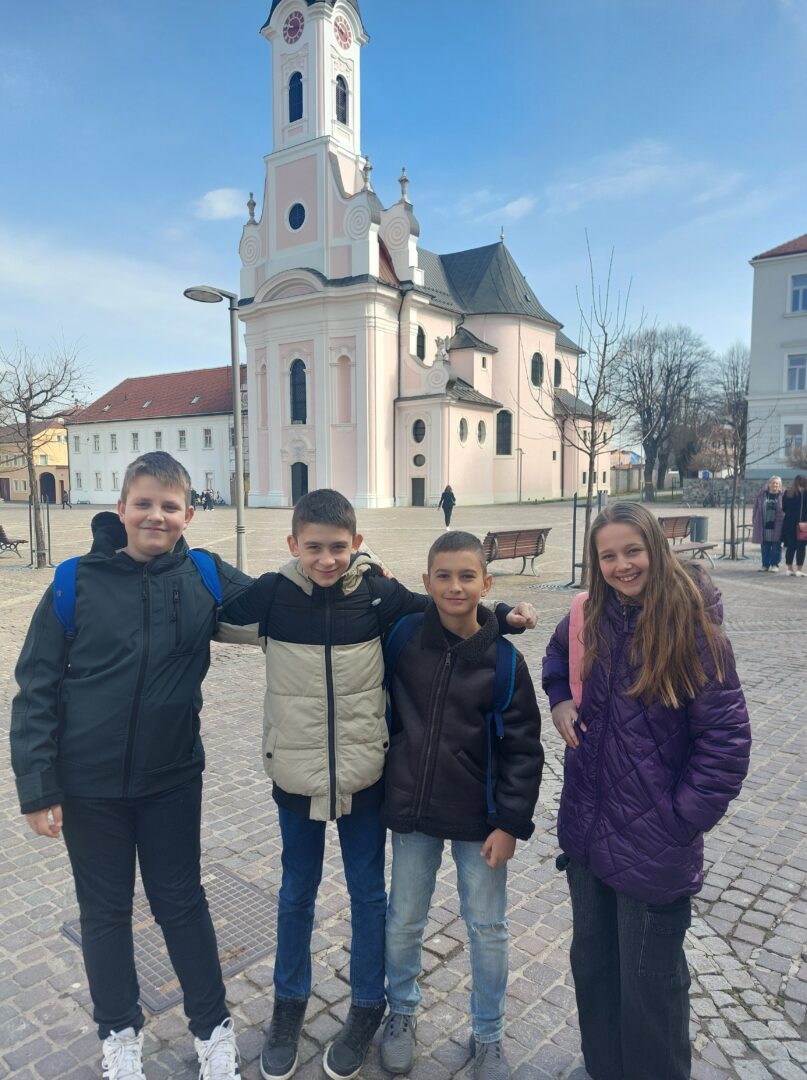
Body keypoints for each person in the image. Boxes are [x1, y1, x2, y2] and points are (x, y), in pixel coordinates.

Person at [216, 489, 537, 1080]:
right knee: (296, 893)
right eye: (313, 547)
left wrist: (503, 610)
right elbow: (209, 611)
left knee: (370, 897)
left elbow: (439, 602)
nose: (326, 558)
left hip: (365, 776)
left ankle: (368, 1005)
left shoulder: (377, 594)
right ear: (293, 544)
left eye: (338, 547)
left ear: (357, 543)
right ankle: (289, 1005)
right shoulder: (273, 594)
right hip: (296, 774)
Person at [10, 452, 253, 1080]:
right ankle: (119, 1034)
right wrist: (37, 786)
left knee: (181, 904)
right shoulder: (75, 582)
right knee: (105, 913)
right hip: (88, 784)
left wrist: (359, 574)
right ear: (120, 509)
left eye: (169, 506)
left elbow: (282, 603)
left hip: (171, 779)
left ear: (188, 514)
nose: (155, 516)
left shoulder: (205, 575)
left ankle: (213, 1030)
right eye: (143, 503)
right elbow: (36, 687)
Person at [542, 502, 751, 1080]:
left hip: (653, 846)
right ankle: (604, 1068)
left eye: (632, 550)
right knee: (593, 966)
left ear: (655, 548)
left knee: (651, 984)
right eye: (608, 555)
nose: (622, 565)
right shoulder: (590, 613)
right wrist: (560, 700)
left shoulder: (692, 627)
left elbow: (726, 743)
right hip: (588, 833)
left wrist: (677, 822)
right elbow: (556, 656)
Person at [379, 531, 543, 1080]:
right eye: (444, 576)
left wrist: (510, 823)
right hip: (413, 810)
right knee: (404, 919)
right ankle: (402, 1012)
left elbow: (523, 748)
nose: (455, 587)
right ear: (426, 582)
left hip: (480, 818)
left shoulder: (504, 661)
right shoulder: (404, 636)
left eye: (467, 576)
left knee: (487, 927)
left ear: (486, 583)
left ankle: (488, 1034)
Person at [751, 475, 785, 571]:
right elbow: (755, 508)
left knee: (776, 547)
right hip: (764, 525)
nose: (775, 485)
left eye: (777, 483)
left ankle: (775, 565)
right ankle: (765, 565)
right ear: (769, 484)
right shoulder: (762, 495)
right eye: (773, 483)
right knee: (765, 547)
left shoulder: (783, 496)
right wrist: (754, 520)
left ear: (780, 485)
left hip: (777, 525)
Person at [782, 473, 807, 577]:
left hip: (789, 523)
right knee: (801, 547)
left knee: (790, 546)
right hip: (803, 523)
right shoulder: (805, 493)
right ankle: (799, 570)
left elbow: (784, 508)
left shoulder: (788, 493)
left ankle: (789, 568)